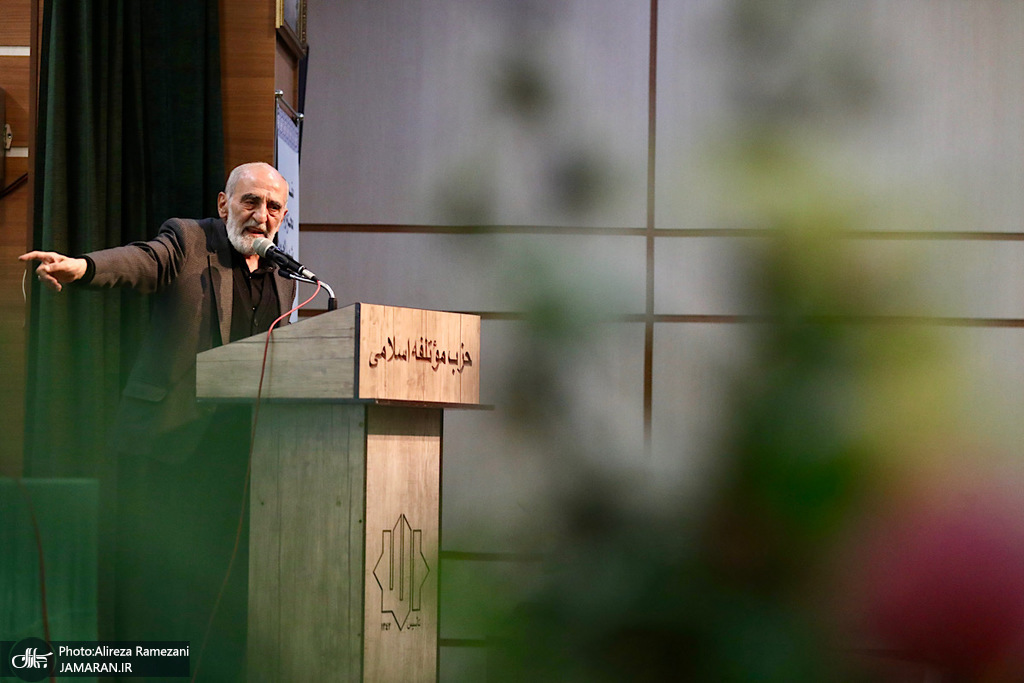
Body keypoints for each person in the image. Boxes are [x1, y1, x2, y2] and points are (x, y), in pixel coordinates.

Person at [20, 161, 296, 681]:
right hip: (168, 447)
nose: (261, 215)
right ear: (224, 203)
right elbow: (143, 261)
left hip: (240, 459)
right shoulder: (190, 240)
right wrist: (82, 267)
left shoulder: (284, 275)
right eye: (250, 201)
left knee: (221, 585)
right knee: (160, 585)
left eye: (273, 206)